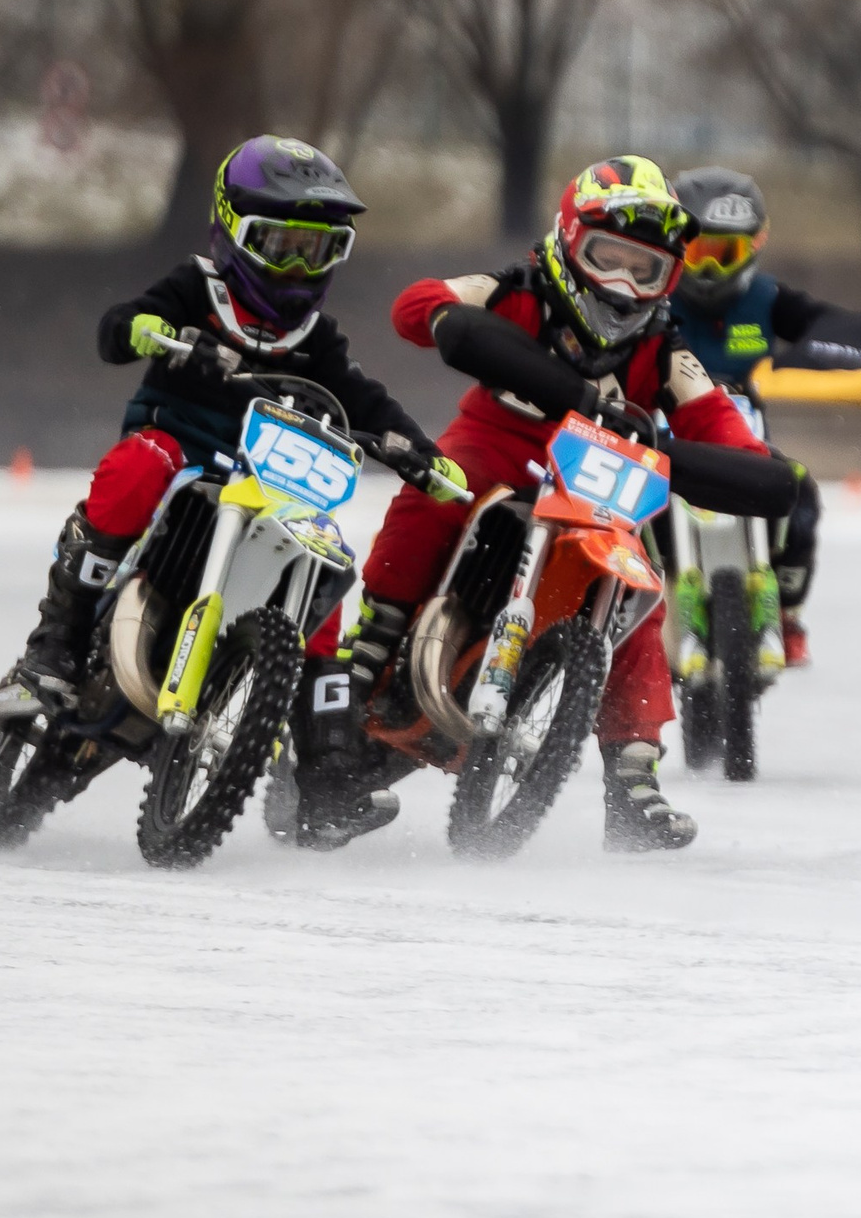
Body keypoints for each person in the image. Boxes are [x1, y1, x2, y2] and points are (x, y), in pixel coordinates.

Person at [306, 156, 798, 850]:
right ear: (569, 241)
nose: (624, 284)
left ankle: (632, 776)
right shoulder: (519, 288)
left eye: (646, 270)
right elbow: (417, 306)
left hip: (600, 480)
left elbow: (724, 427)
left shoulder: (665, 347)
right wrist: (471, 328)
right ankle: (373, 642)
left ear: (669, 279)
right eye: (609, 259)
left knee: (635, 588)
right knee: (441, 488)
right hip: (499, 444)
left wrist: (727, 462)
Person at [0, 138, 461, 828]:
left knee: (321, 567)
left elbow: (363, 396)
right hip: (180, 454)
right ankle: (53, 649)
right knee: (138, 466)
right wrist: (149, 330)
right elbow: (116, 328)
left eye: (318, 249)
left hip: (267, 480)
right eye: (282, 244)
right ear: (232, 229)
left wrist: (420, 451)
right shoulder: (195, 289)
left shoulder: (314, 337)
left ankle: (323, 772)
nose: (299, 266)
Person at [665, 168, 861, 666]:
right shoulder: (655, 288)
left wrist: (860, 363)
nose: (709, 271)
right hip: (662, 441)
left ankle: (786, 612)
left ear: (753, 248)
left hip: (743, 443)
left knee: (801, 496)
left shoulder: (766, 299)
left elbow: (831, 326)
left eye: (725, 255)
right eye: (698, 253)